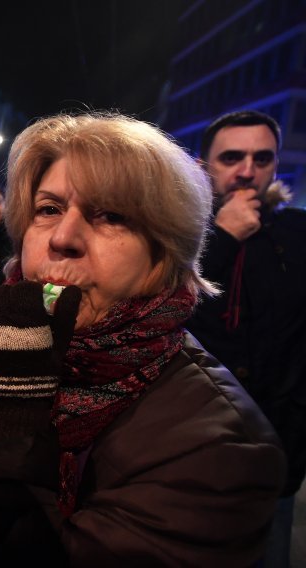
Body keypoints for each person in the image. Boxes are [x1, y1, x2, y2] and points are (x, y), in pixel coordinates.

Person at [0, 113, 286, 566]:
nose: (63, 237)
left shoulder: (220, 447)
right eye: (48, 209)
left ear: (166, 252)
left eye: (111, 215)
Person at [185, 110, 306, 567]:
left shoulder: (296, 233)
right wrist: (223, 237)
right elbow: (165, 306)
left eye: (262, 158)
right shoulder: (184, 233)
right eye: (232, 157)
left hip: (278, 449)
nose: (247, 171)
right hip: (194, 448)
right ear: (205, 164)